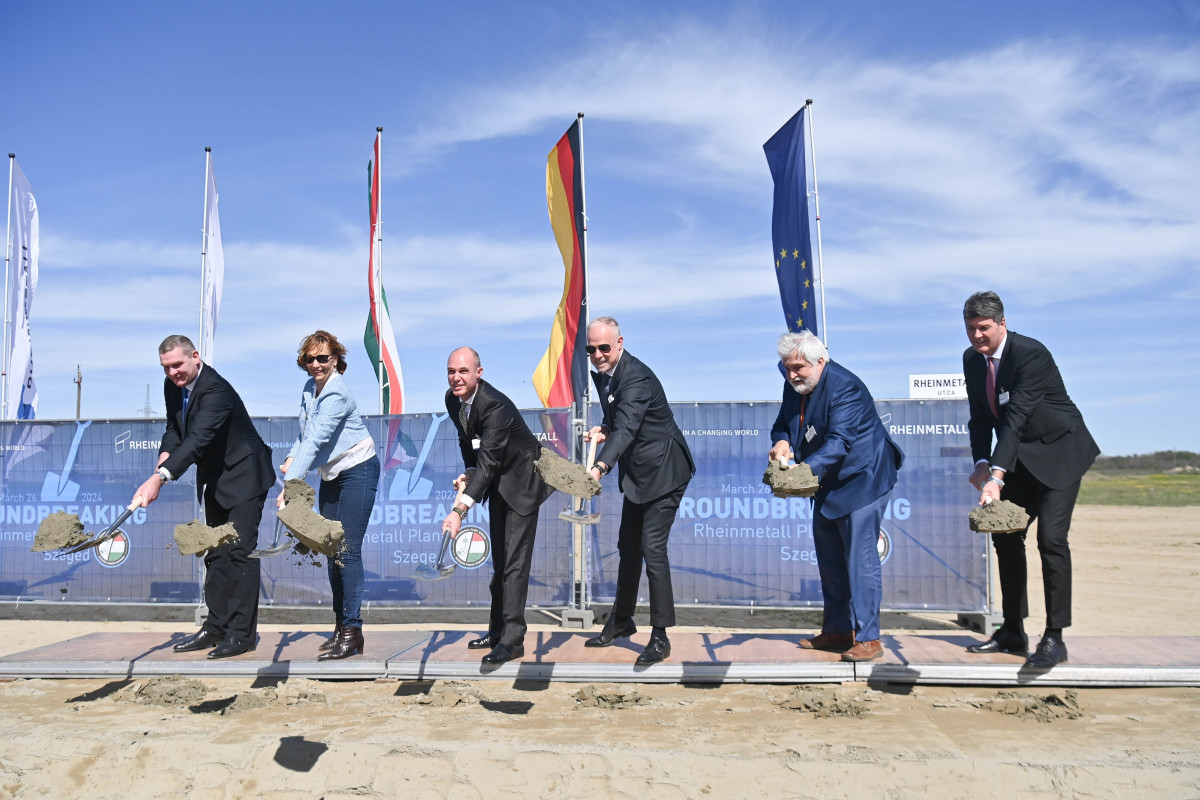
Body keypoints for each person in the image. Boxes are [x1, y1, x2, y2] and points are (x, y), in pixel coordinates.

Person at [962, 291, 1098, 669]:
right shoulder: (972, 360)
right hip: (1021, 458)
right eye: (970, 329)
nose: (977, 336)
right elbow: (979, 416)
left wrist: (998, 477)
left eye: (984, 328)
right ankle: (1012, 629)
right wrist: (982, 463)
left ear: (1002, 324)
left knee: (1051, 541)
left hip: (1060, 454)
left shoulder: (1030, 354)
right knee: (1006, 534)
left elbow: (1016, 415)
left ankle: (1055, 637)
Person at [134, 335, 274, 659]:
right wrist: (165, 456)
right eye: (166, 367)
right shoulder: (173, 386)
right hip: (215, 478)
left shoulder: (216, 390)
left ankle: (241, 636)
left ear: (195, 356)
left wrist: (160, 478)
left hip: (245, 475)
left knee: (239, 553)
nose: (172, 373)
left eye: (178, 365)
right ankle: (215, 627)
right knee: (215, 553)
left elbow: (197, 440)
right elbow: (175, 428)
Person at [769, 330, 903, 663]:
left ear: (821, 361)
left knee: (860, 559)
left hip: (864, 477)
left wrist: (800, 472)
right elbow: (783, 423)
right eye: (786, 368)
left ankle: (869, 637)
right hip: (827, 479)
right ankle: (839, 630)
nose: (791, 375)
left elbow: (838, 443)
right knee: (830, 558)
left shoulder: (845, 386)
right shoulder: (795, 382)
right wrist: (783, 442)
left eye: (798, 367)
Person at [583, 317, 695, 665]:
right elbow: (620, 421)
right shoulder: (606, 374)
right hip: (639, 474)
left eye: (604, 347)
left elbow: (629, 427)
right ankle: (622, 620)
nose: (598, 355)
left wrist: (600, 466)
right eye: (591, 349)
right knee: (627, 547)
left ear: (619, 343)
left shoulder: (636, 377)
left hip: (665, 470)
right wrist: (604, 427)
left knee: (652, 548)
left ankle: (660, 637)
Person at [442, 346, 554, 665]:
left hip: (522, 482)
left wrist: (459, 510)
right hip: (497, 481)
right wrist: (469, 470)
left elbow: (489, 462)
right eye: (451, 371)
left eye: (463, 371)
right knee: (500, 564)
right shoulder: (453, 400)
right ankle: (497, 631)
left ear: (479, 372)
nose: (456, 377)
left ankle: (513, 640)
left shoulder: (495, 406)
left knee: (514, 565)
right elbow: (470, 444)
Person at [280, 330, 380, 660]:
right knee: (331, 549)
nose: (317, 364)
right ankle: (340, 627)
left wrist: (291, 487)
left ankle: (352, 632)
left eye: (323, 358)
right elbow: (304, 436)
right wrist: (291, 459)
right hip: (331, 475)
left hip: (358, 470)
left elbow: (316, 441)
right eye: (310, 359)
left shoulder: (337, 393)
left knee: (347, 550)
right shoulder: (310, 389)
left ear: (335, 359)